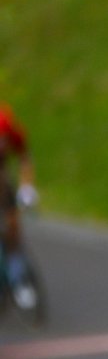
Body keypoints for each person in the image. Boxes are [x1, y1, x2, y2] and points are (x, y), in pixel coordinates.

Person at [0, 104, 38, 283]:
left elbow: (25, 159)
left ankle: (16, 270)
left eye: (4, 139)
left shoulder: (15, 135)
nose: (2, 144)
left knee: (12, 220)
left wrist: (27, 188)